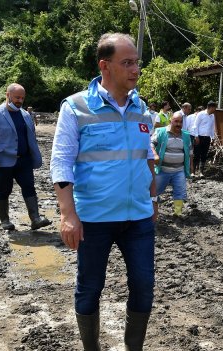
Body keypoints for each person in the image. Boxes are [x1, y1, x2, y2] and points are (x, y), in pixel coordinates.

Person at [50, 33, 157, 351]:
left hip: (138, 217)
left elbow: (147, 157)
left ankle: (133, 347)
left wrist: (152, 199)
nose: (135, 69)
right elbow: (61, 162)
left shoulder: (142, 108)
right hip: (94, 219)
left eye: (137, 62)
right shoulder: (76, 107)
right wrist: (68, 215)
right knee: (89, 288)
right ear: (105, 66)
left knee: (144, 285)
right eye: (127, 63)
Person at [0, 83, 51, 231]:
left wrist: (35, 156)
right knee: (4, 190)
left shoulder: (25, 115)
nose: (20, 100)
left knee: (29, 188)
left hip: (24, 160)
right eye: (17, 97)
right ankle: (5, 221)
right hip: (3, 161)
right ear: (8, 95)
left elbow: (31, 137)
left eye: (22, 98)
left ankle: (35, 219)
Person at [152, 112, 192, 216]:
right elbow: (151, 144)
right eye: (176, 121)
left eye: (181, 122)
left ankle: (177, 214)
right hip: (162, 169)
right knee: (154, 190)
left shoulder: (186, 135)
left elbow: (190, 152)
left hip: (179, 170)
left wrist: (191, 166)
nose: (178, 124)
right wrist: (155, 154)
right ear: (171, 121)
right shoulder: (161, 132)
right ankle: (150, 212)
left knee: (180, 191)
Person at [192, 101, 217, 177]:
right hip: (199, 137)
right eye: (214, 108)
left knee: (204, 155)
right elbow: (195, 126)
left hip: (207, 138)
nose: (215, 110)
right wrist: (196, 136)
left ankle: (201, 172)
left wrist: (212, 138)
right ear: (210, 107)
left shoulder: (212, 116)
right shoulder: (201, 114)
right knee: (196, 155)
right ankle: (193, 172)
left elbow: (212, 128)